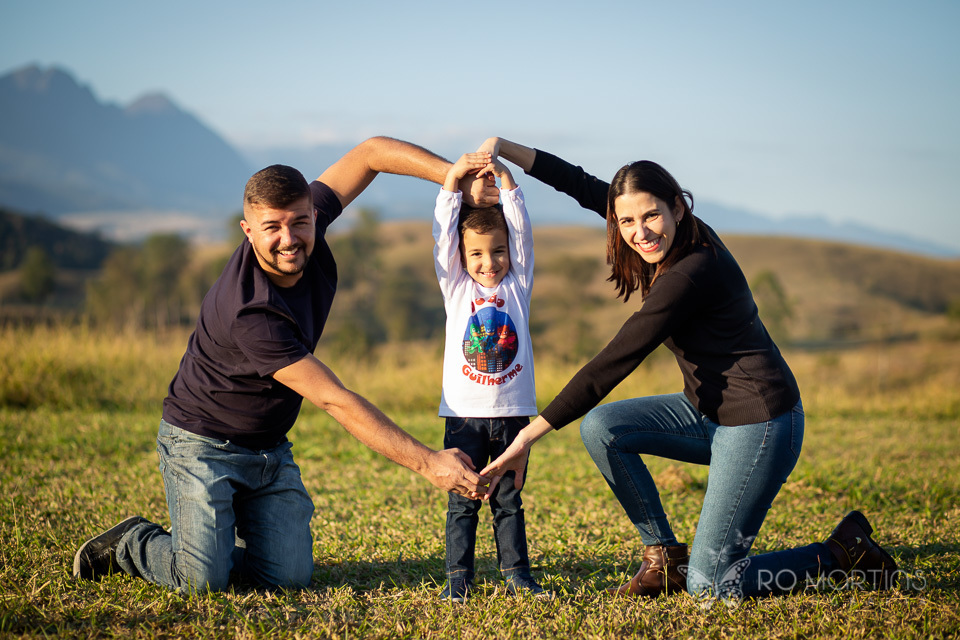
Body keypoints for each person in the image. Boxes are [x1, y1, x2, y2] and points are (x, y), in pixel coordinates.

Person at [72, 137, 501, 593]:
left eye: (299, 222)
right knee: (200, 581)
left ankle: (222, 533)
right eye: (271, 227)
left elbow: (371, 153)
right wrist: (429, 463)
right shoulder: (250, 310)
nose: (289, 238)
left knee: (288, 578)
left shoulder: (305, 215)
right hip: (201, 445)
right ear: (248, 230)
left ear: (313, 213)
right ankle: (132, 542)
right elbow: (334, 400)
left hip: (268, 449)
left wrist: (454, 180)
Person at [478, 138, 899, 602]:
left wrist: (526, 437)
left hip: (759, 424)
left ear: (677, 207)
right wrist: (504, 148)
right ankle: (664, 558)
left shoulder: (691, 271)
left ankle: (842, 552)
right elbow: (577, 182)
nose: (640, 232)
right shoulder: (663, 231)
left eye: (651, 216)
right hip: (704, 412)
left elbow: (615, 360)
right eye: (626, 220)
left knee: (711, 586)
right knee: (602, 428)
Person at [431, 150, 548, 602]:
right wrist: (452, 180)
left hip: (514, 415)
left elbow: (523, 233)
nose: (489, 262)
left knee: (508, 500)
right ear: (462, 257)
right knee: (462, 503)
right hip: (463, 416)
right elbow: (443, 237)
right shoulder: (456, 288)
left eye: (498, 251)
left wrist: (508, 182)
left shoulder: (519, 285)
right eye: (476, 253)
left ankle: (517, 575)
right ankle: (458, 580)